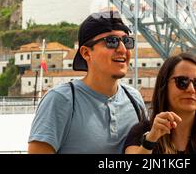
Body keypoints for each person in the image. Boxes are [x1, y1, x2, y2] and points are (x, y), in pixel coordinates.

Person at [28, 11, 146, 154]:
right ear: (86, 53)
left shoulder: (134, 99)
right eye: (111, 41)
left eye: (127, 41)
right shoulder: (61, 100)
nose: (122, 49)